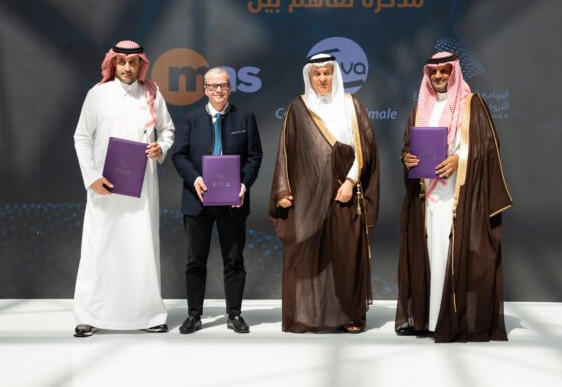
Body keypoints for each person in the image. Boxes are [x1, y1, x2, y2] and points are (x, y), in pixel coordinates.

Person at [395, 51, 512, 342]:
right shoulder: (420, 108)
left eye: (444, 72)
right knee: (430, 254)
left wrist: (459, 159)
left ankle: (455, 319)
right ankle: (431, 319)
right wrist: (406, 158)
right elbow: (409, 145)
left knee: (452, 254)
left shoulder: (472, 105)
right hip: (426, 197)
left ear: (454, 73)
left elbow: (487, 148)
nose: (438, 77)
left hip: (458, 196)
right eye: (433, 72)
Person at [269, 53, 379, 333]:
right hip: (309, 198)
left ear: (335, 74)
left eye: (326, 73)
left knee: (346, 256)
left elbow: (364, 148)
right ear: (309, 76)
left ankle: (350, 315)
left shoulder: (351, 105)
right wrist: (283, 190)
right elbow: (285, 152)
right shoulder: (298, 108)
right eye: (316, 74)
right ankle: (307, 316)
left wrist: (350, 182)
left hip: (344, 194)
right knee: (310, 256)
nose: (322, 78)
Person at [72, 40, 174, 337]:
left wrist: (161, 147)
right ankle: (89, 315)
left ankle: (149, 314)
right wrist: (92, 176)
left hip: (142, 187)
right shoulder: (97, 94)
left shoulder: (152, 93)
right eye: (121, 62)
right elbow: (81, 137)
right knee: (100, 247)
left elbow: (167, 129)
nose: (127, 68)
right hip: (105, 186)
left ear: (141, 64)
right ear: (113, 64)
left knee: (141, 246)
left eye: (132, 63)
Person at [171, 67, 262, 334]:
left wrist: (243, 184)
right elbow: (179, 155)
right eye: (213, 86)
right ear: (205, 90)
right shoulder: (190, 119)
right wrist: (195, 179)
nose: (218, 90)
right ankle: (194, 315)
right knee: (195, 261)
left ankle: (234, 314)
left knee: (234, 260)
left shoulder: (245, 117)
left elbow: (255, 156)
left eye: (223, 85)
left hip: (233, 202)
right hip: (197, 200)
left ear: (230, 88)